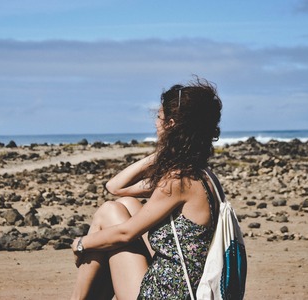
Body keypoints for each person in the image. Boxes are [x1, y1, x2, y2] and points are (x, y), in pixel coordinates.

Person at [70, 77, 223, 300]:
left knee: (108, 212)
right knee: (125, 204)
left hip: (170, 295)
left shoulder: (177, 181)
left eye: (159, 117)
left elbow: (126, 233)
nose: (155, 123)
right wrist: (166, 152)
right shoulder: (203, 173)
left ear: (171, 124)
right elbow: (117, 187)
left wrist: (82, 244)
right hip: (190, 286)